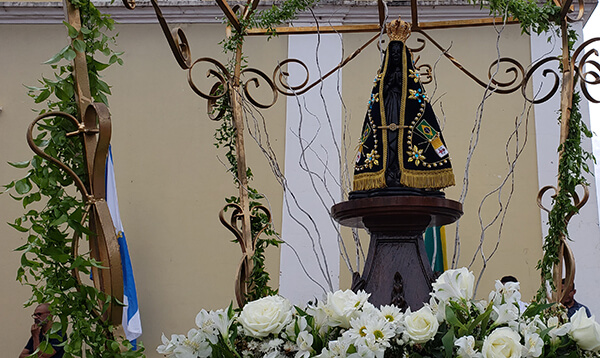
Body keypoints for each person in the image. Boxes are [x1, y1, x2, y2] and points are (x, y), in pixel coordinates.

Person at [351, 17, 454, 196]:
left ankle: (403, 172)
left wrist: (401, 82)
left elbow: (419, 105)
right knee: (388, 139)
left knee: (402, 138)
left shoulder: (411, 81)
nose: (397, 56)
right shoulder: (383, 79)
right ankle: (388, 172)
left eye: (399, 54)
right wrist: (390, 83)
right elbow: (376, 102)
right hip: (389, 108)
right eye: (394, 54)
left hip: (404, 112)